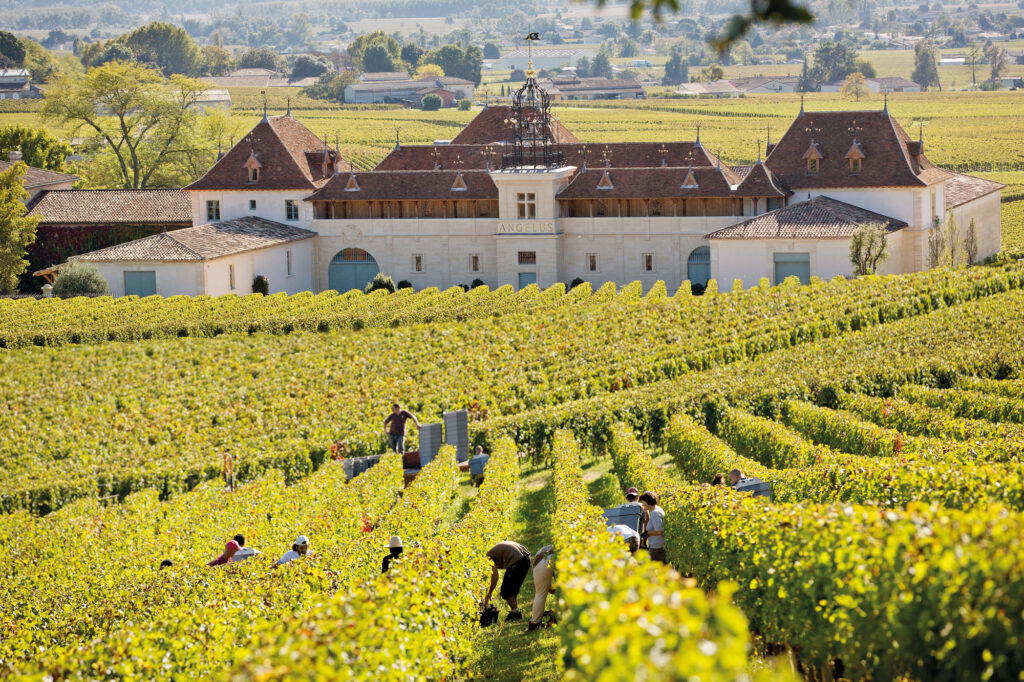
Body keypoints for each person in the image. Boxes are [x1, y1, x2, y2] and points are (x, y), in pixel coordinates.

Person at [483, 541, 531, 621]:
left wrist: (490, 593)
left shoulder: (488, 558)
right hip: (526, 559)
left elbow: (495, 577)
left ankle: (515, 614)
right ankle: (515, 612)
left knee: (506, 591)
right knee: (512, 589)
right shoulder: (492, 552)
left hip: (517, 561)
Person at [527, 545, 555, 631]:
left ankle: (534, 623)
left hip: (541, 560)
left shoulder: (546, 548)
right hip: (555, 556)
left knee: (540, 594)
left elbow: (550, 588)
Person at [639, 492, 667, 563]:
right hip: (658, 546)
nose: (642, 504)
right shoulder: (657, 509)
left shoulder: (655, 513)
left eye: (643, 502)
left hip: (657, 547)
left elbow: (660, 531)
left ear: (647, 502)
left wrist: (647, 533)